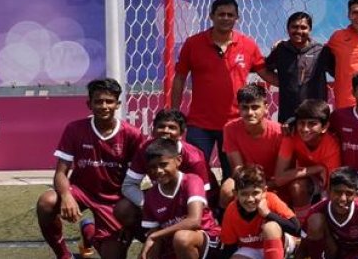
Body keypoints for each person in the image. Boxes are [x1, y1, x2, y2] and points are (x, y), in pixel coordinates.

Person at [38, 78, 145, 259]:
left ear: (118, 104)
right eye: (98, 101)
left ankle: (89, 230)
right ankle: (64, 256)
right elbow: (60, 173)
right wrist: (66, 196)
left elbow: (142, 173)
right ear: (89, 104)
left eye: (109, 101)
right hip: (81, 191)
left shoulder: (132, 134)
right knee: (46, 202)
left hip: (114, 199)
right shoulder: (75, 129)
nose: (104, 106)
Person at [170, 0, 272, 175]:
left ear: (237, 18)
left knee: (233, 175)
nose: (225, 18)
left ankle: (225, 203)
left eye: (230, 15)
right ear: (211, 16)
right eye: (221, 14)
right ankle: (203, 202)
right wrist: (174, 111)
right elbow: (179, 78)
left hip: (234, 124)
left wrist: (295, 81)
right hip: (199, 124)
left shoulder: (248, 45)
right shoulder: (193, 43)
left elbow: (267, 74)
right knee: (195, 172)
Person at [117, 110, 211, 236]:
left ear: (181, 133)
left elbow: (207, 194)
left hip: (188, 205)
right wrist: (149, 205)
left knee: (182, 238)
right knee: (123, 209)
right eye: (161, 126)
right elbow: (128, 186)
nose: (166, 131)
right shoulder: (145, 150)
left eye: (172, 127)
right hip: (161, 201)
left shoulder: (194, 157)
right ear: (153, 130)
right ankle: (148, 239)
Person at [138, 138, 221, 259]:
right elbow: (153, 233)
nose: (158, 171)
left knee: (182, 238)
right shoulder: (151, 195)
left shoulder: (192, 181)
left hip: (207, 240)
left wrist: (155, 235)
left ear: (178, 160)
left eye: (163, 164)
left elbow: (194, 221)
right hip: (174, 246)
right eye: (153, 167)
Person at [221, 84, 285, 207]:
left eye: (255, 107)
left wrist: (262, 186)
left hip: (274, 182)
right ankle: (226, 222)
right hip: (246, 180)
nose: (250, 112)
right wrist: (251, 187)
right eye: (245, 108)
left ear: (266, 108)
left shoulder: (279, 132)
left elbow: (280, 176)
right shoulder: (230, 129)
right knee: (227, 189)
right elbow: (238, 169)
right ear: (238, 108)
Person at [274, 99, 341, 215]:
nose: (305, 129)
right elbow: (279, 179)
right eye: (302, 123)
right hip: (309, 178)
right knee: (297, 187)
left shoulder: (331, 145)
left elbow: (332, 188)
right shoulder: (292, 135)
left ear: (325, 127)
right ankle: (301, 227)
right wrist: (317, 168)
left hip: (330, 183)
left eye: (312, 124)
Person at [265, 11, 332, 124]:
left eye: (303, 27)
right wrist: (283, 82)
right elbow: (265, 69)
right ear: (288, 29)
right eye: (294, 27)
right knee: (288, 141)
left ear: (310, 30)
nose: (299, 31)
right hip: (288, 113)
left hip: (315, 113)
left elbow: (338, 72)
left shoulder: (321, 51)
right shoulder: (280, 50)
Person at [219, 165, 300, 259]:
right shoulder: (231, 210)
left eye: (255, 193)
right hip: (250, 249)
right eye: (244, 194)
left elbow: (296, 229)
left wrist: (268, 214)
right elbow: (229, 246)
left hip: (280, 244)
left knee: (270, 227)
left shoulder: (271, 199)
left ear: (264, 191)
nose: (250, 199)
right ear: (236, 194)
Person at [300, 167, 358, 259]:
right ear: (329, 191)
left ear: (356, 194)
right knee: (315, 221)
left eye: (349, 193)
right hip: (332, 253)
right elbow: (302, 248)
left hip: (357, 254)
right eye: (338, 192)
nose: (343, 199)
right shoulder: (316, 210)